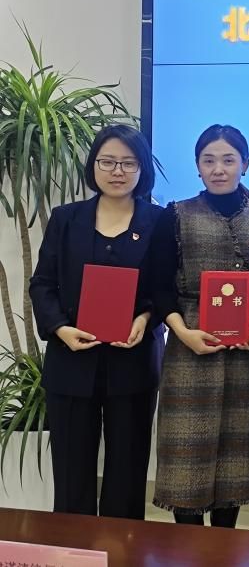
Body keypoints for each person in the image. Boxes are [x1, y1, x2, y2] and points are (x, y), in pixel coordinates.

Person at [28, 124, 163, 518]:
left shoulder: (159, 221)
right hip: (72, 362)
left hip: (132, 363)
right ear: (93, 166)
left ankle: (124, 546)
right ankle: (73, 548)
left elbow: (166, 287)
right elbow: (42, 283)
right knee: (71, 475)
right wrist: (60, 328)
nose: (117, 171)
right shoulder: (66, 219)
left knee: (128, 473)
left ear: (142, 168)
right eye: (108, 161)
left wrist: (146, 318)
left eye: (128, 163)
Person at [150, 124, 249, 527]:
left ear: (245, 164)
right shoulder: (176, 214)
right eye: (209, 160)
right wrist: (182, 331)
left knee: (236, 457)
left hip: (246, 350)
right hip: (190, 344)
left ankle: (224, 542)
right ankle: (188, 543)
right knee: (187, 456)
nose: (219, 169)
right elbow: (158, 284)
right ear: (198, 166)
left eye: (228, 160)